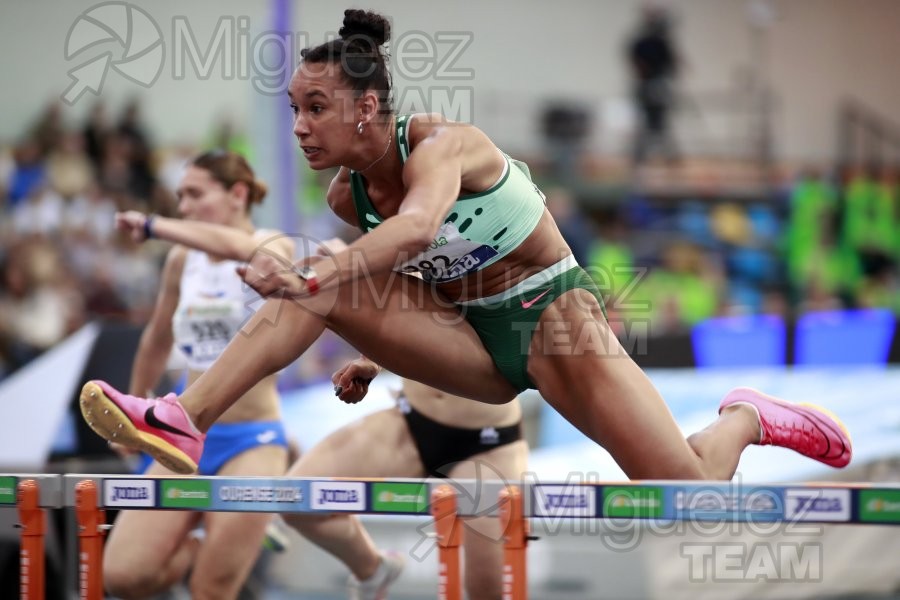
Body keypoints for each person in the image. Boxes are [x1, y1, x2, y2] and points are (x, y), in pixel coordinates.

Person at [81, 6, 851, 512]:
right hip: (473, 342)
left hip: (554, 319)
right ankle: (184, 419)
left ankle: (747, 418)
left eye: (316, 108)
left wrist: (320, 276)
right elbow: (415, 274)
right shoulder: (347, 202)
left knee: (686, 492)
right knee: (319, 280)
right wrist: (378, 352)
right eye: (294, 111)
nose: (301, 128)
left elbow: (418, 231)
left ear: (368, 108)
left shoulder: (445, 145)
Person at [97, 150, 294, 600]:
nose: (183, 207)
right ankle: (201, 534)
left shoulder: (272, 245)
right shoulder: (183, 260)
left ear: (237, 195)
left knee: (211, 590)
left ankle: (243, 526)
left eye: (194, 194)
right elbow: (156, 338)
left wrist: (152, 226)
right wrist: (133, 408)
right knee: (125, 577)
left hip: (251, 439)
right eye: (179, 197)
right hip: (183, 439)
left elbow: (252, 254)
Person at [626, 4, 681, 166]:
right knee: (644, 124)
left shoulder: (661, 43)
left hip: (658, 86)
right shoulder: (642, 43)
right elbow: (635, 61)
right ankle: (640, 157)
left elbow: (671, 64)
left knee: (660, 124)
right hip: (645, 87)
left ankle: (669, 157)